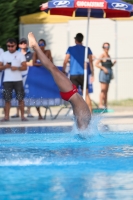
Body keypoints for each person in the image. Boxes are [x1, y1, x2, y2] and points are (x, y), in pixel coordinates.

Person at [28, 32, 91, 130]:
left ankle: (35, 47)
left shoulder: (84, 131)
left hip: (71, 93)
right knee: (52, 69)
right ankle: (35, 46)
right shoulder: (86, 131)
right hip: (73, 93)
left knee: (52, 69)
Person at [63, 33, 94, 114]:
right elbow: (91, 62)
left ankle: (76, 114)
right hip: (83, 74)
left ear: (75, 40)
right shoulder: (87, 49)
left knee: (74, 95)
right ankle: (90, 113)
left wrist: (63, 71)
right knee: (86, 94)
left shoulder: (70, 49)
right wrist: (93, 74)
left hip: (73, 74)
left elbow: (65, 61)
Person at [0, 38, 28, 122]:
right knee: (7, 99)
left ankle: (23, 116)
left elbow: (25, 67)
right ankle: (6, 117)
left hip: (18, 80)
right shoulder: (3, 54)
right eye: (8, 46)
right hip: (7, 80)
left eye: (12, 46)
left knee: (20, 98)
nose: (10, 48)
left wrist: (17, 68)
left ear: (16, 45)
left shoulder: (20, 54)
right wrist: (6, 66)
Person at [11, 38, 34, 118]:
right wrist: (24, 64)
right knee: (18, 94)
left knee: (27, 93)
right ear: (19, 45)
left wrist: (22, 64)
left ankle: (29, 111)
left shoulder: (30, 54)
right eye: (22, 43)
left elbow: (31, 63)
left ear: (27, 44)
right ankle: (17, 112)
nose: (23, 44)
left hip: (27, 76)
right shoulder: (16, 53)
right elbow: (13, 64)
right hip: (18, 76)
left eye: (24, 43)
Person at [33, 38, 53, 120]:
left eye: (42, 45)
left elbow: (50, 61)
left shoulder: (47, 51)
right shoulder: (35, 53)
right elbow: (33, 63)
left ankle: (46, 108)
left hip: (46, 77)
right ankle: (39, 114)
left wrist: (41, 63)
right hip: (38, 77)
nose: (41, 47)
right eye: (39, 45)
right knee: (36, 96)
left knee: (46, 94)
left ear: (45, 45)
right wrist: (43, 64)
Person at [95, 42, 116, 108]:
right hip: (103, 74)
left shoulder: (109, 56)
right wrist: (103, 68)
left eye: (108, 47)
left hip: (109, 74)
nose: (106, 49)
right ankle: (100, 104)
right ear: (103, 48)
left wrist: (113, 63)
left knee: (106, 90)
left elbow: (109, 65)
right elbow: (96, 64)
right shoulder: (102, 55)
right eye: (105, 47)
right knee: (103, 90)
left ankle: (105, 104)